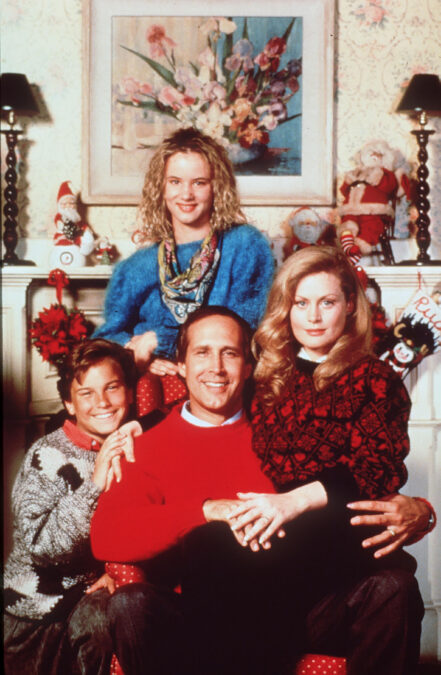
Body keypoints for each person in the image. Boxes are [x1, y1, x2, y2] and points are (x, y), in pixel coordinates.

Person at [91, 306, 427, 675]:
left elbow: (352, 479)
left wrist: (421, 511)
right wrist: (206, 510)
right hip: (199, 619)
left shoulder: (284, 425)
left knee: (392, 587)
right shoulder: (145, 447)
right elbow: (107, 535)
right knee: (131, 604)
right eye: (202, 352)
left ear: (249, 367)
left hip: (299, 606)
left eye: (230, 353)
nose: (216, 368)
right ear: (181, 365)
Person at [3, 339, 142, 675]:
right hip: (34, 613)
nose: (102, 402)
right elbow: (41, 546)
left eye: (112, 388)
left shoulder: (133, 447)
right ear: (69, 403)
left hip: (87, 600)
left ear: (130, 393)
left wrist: (115, 569)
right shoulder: (47, 456)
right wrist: (93, 484)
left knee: (101, 625)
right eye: (86, 393)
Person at [93, 126, 274, 373]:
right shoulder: (136, 265)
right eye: (175, 182)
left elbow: (243, 329)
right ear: (161, 188)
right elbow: (106, 337)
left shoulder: (245, 245)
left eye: (199, 183)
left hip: (220, 377)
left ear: (217, 188)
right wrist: (138, 355)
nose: (186, 194)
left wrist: (157, 340)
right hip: (152, 381)